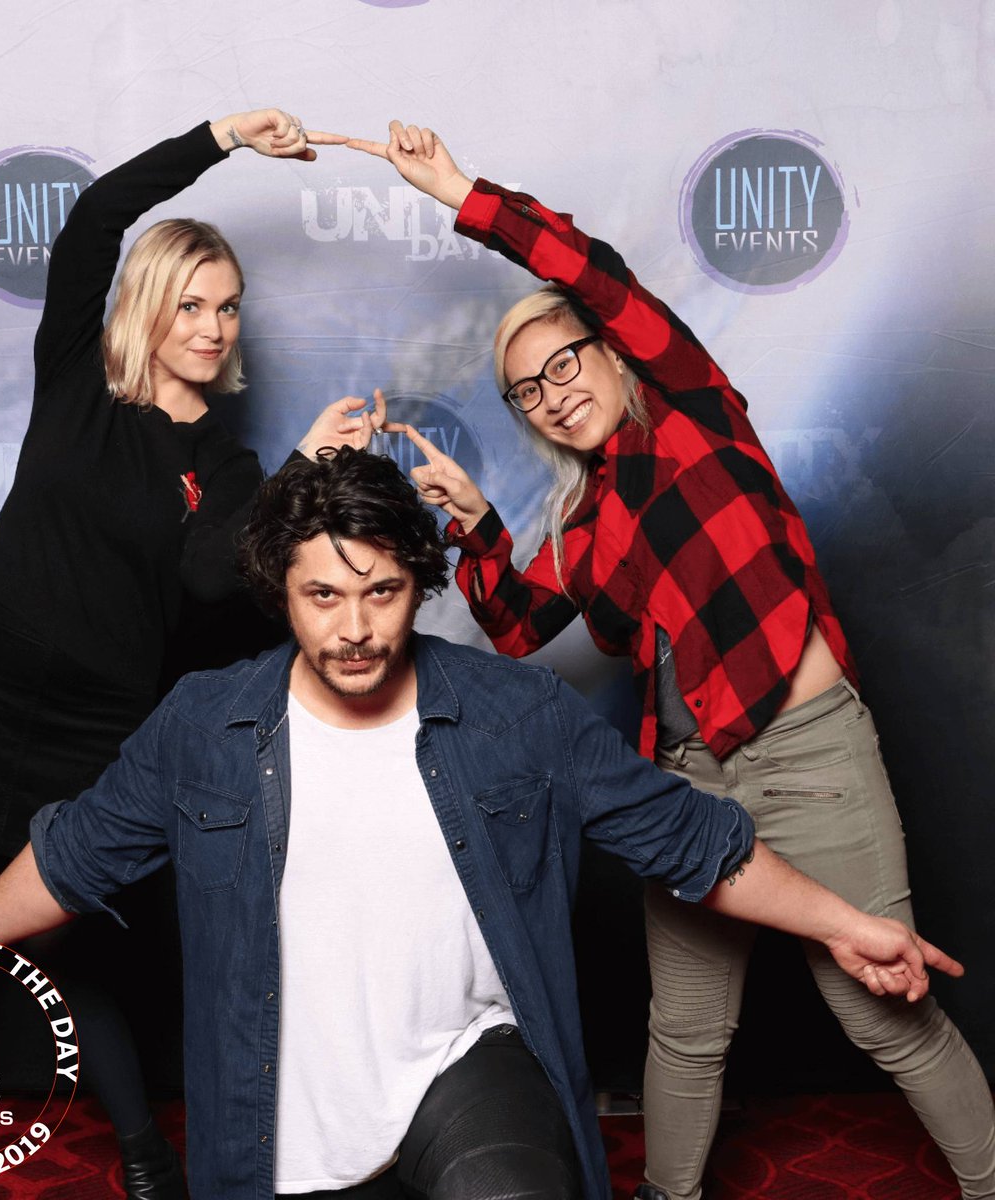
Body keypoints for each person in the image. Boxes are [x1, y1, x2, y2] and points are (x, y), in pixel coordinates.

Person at [0, 447, 965, 1200]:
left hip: (464, 1065)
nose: (354, 629)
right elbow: (74, 857)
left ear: (419, 583)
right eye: (323, 597)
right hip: (278, 1105)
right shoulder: (205, 726)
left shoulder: (513, 712)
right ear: (281, 591)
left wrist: (842, 924)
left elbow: (690, 838)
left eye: (382, 593)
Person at [343, 121, 995, 1200]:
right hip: (690, 782)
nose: (554, 392)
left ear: (610, 350)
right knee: (686, 1031)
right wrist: (474, 520)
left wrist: (460, 191)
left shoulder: (693, 414)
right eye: (527, 389)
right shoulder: (586, 518)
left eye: (565, 361)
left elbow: (591, 268)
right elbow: (518, 625)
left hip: (810, 757)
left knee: (883, 1010)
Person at [0, 107, 386, 1200]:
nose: (213, 327)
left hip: (96, 725)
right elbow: (93, 219)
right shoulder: (76, 378)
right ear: (150, 306)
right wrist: (220, 137)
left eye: (229, 307)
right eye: (192, 304)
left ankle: (148, 1156)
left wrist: (301, 473)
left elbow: (209, 583)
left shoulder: (229, 462)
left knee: (66, 946)